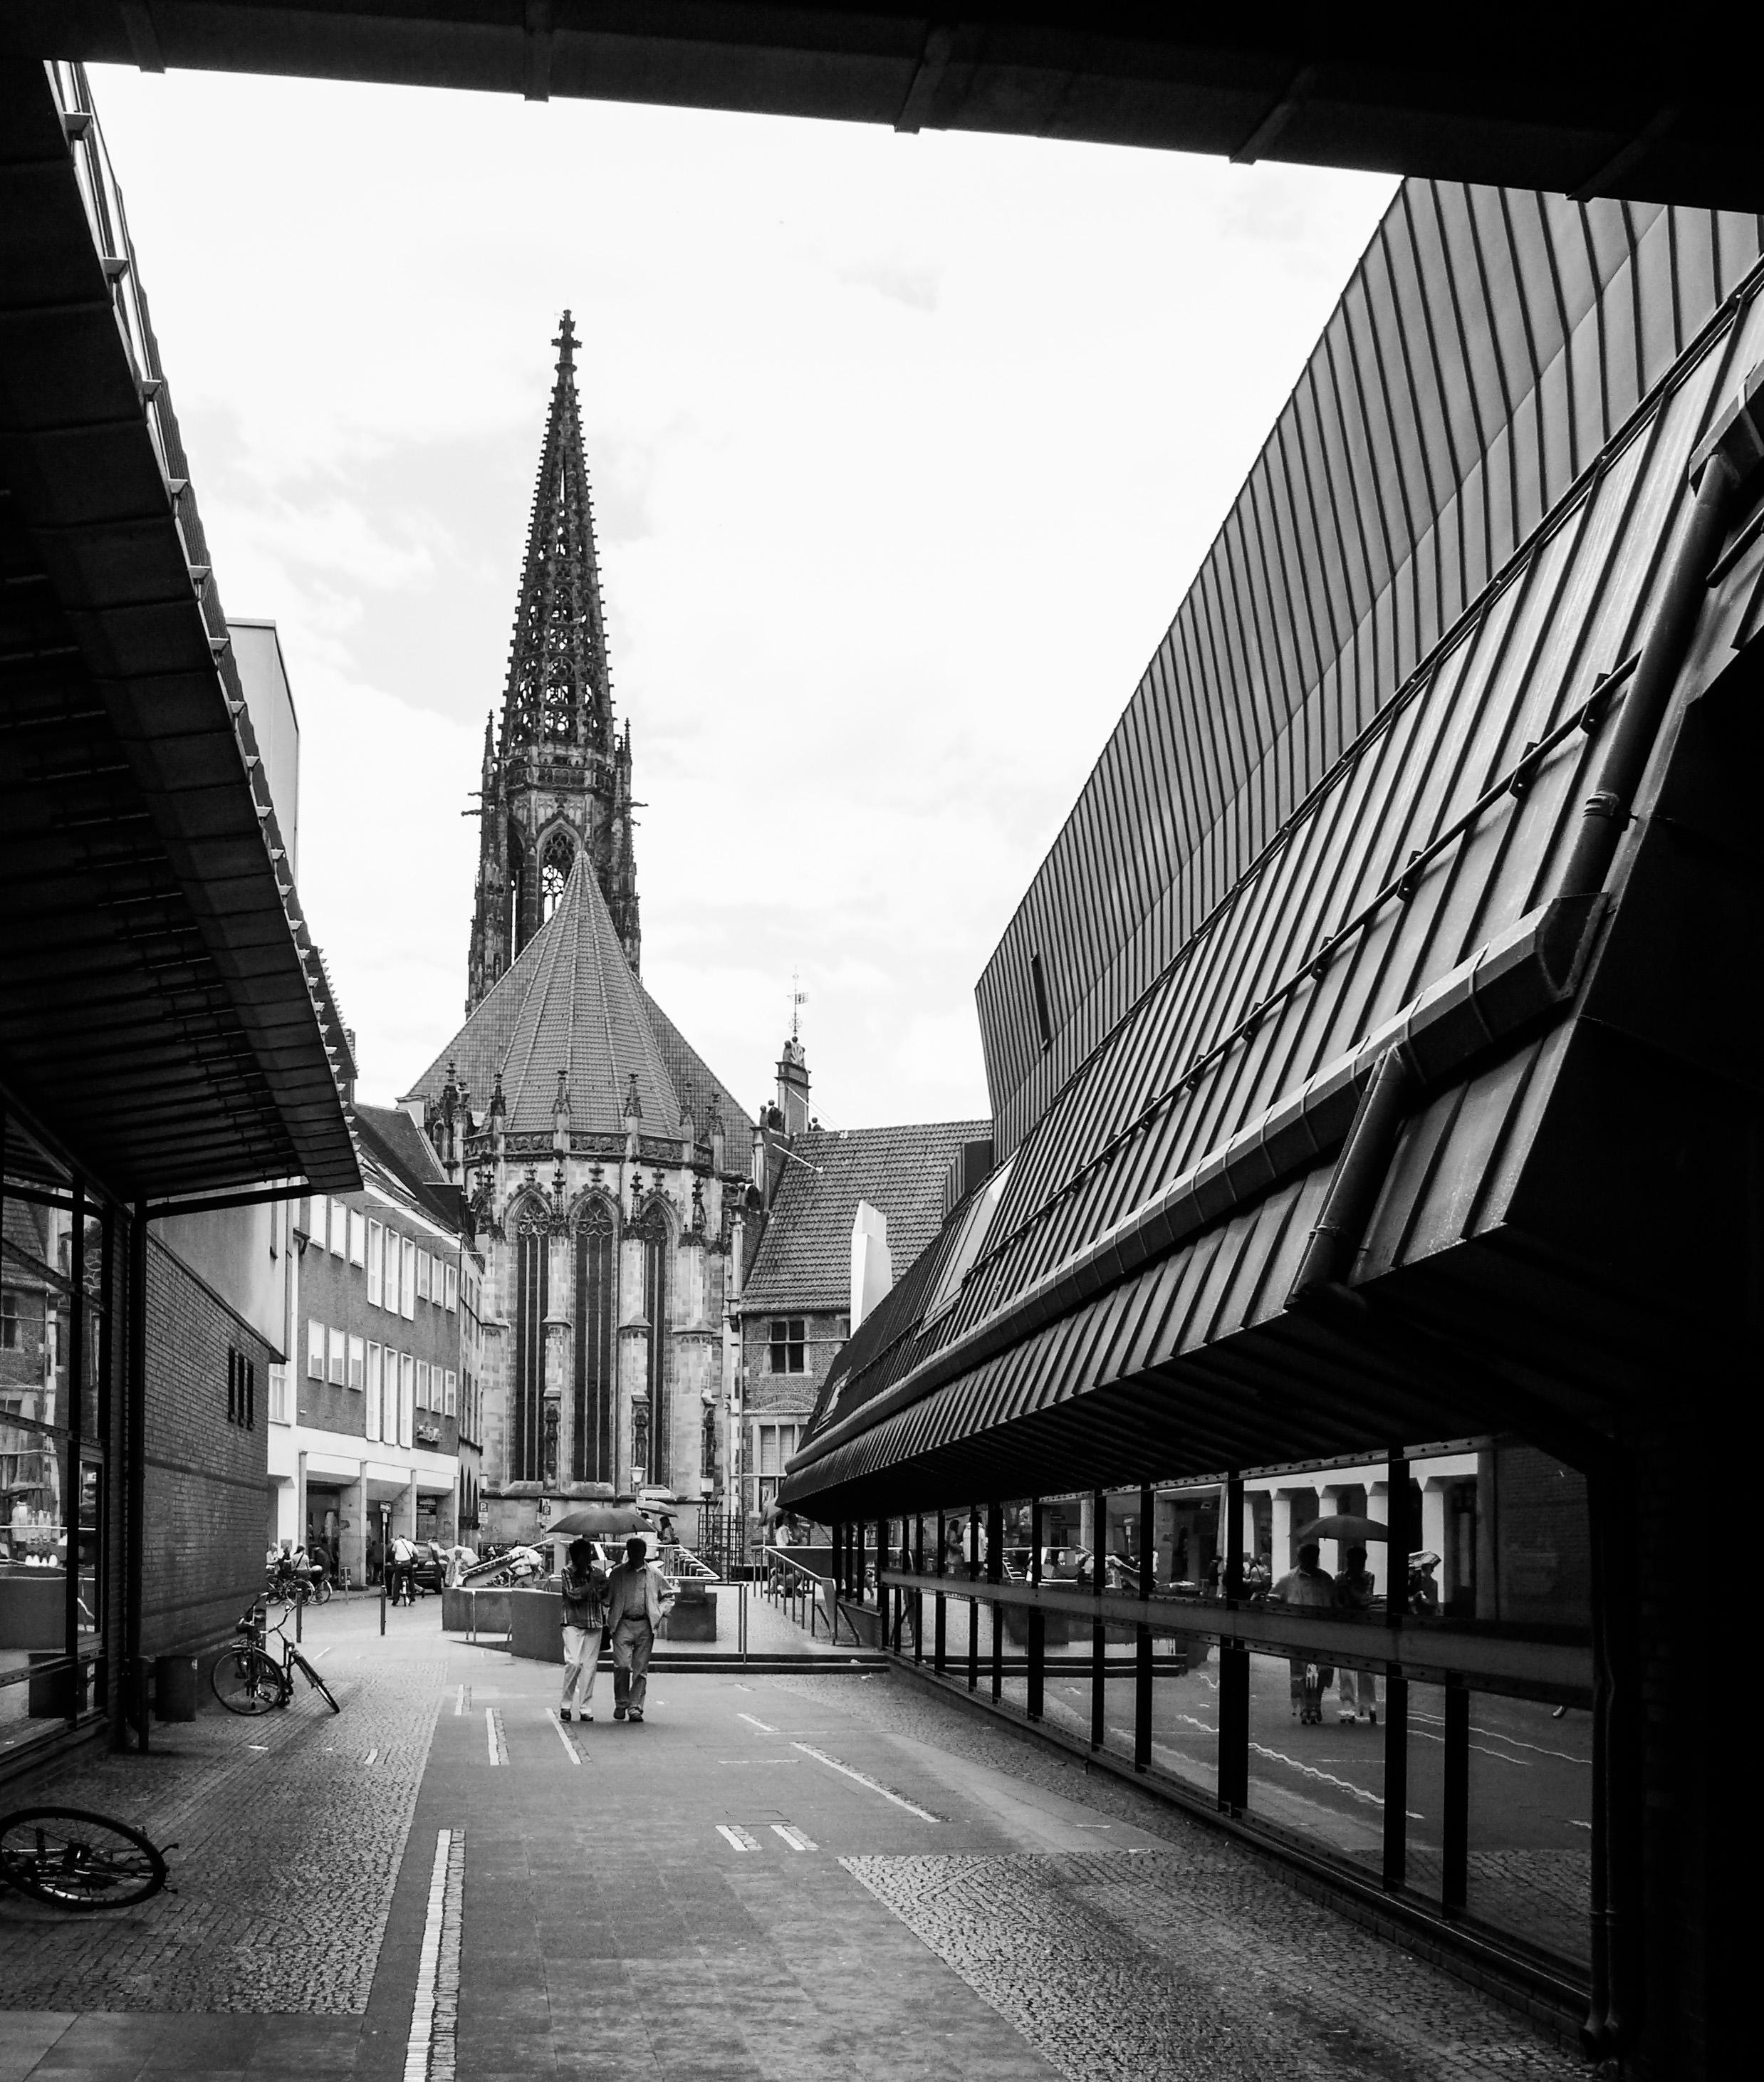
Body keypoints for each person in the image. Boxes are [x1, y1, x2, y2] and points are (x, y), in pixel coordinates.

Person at [604, 1534, 675, 1723]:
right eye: (633, 1551)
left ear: (644, 1553)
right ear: (629, 1552)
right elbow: (606, 1599)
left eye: (639, 1552)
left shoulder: (654, 1574)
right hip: (622, 1624)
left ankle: (635, 1707)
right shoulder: (617, 1574)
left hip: (645, 1624)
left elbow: (669, 1596)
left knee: (640, 1669)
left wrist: (660, 1612)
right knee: (622, 1666)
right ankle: (621, 1703)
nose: (636, 1555)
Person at [1273, 1541, 1335, 1723]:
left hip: (1323, 1633)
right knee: (1299, 1672)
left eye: (1314, 1557)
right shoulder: (1288, 1580)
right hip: (1298, 1633)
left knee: (1323, 1670)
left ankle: (1316, 1703)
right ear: (1300, 1558)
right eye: (1307, 1557)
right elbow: (1274, 1598)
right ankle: (1304, 1706)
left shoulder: (1326, 1579)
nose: (1311, 1560)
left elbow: (1336, 1602)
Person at [558, 1538, 609, 1723]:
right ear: (575, 1556)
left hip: (594, 1623)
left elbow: (605, 1599)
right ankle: (566, 1704)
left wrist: (604, 1585)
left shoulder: (596, 1572)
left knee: (589, 1667)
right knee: (573, 1662)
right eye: (584, 1554)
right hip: (573, 1622)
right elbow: (573, 1594)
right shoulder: (567, 1572)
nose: (588, 1558)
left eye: (589, 1554)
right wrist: (592, 1584)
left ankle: (585, 1708)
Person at [1332, 1543, 1379, 1724]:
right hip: (1345, 1624)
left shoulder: (1368, 1577)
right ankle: (1347, 1705)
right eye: (1353, 1561)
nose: (1356, 1565)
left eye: (1360, 1561)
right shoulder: (1339, 1578)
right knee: (1345, 1668)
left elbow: (1364, 1599)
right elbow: (1337, 1601)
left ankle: (1368, 1705)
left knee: (1366, 1668)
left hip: (1364, 1625)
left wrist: (1348, 1588)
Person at [389, 1531, 417, 1606]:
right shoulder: (410, 1543)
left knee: (397, 1581)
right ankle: (413, 1596)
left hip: (399, 1564)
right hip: (408, 1564)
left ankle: (395, 1599)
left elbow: (393, 1552)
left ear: (400, 1538)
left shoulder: (397, 1542)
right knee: (411, 1579)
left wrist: (393, 1561)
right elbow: (416, 1552)